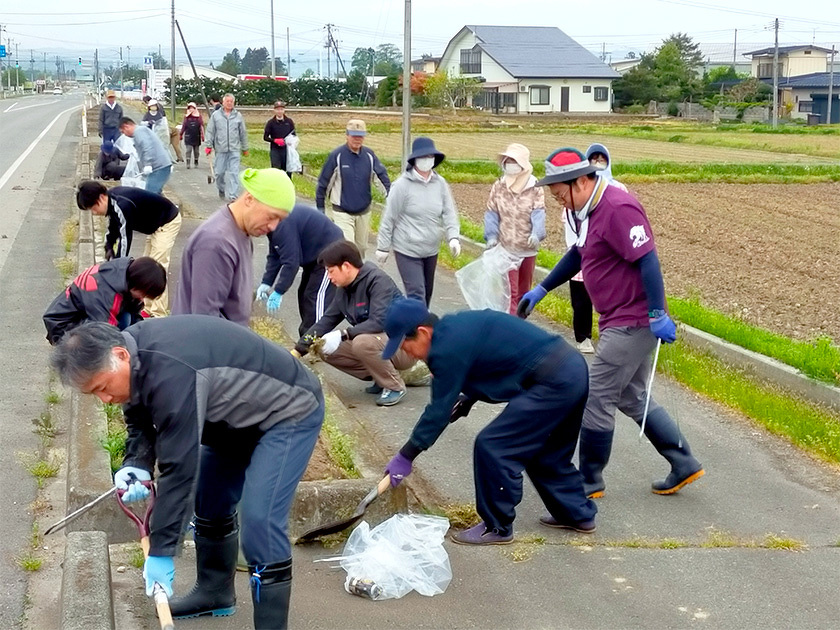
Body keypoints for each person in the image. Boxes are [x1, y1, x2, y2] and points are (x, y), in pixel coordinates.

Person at [50, 317, 324, 629]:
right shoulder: (133, 356)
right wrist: (135, 464)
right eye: (94, 394)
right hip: (235, 417)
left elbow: (179, 468)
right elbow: (140, 418)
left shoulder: (171, 369)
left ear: (120, 355)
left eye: (102, 387)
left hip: (288, 411)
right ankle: (215, 593)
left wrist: (161, 550)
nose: (106, 399)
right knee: (210, 496)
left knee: (260, 521)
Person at [517, 147, 705, 498]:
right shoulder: (587, 211)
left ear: (584, 181)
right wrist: (542, 288)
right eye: (556, 197)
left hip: (633, 320)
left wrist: (657, 314)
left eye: (562, 195)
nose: (561, 203)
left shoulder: (618, 208)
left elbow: (647, 260)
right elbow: (579, 254)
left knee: (597, 396)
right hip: (618, 318)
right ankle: (683, 462)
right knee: (632, 396)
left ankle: (589, 481)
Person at [381, 298, 597, 544]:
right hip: (571, 369)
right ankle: (577, 515)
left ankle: (497, 526)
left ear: (423, 332)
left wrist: (406, 455)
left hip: (552, 382)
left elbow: (437, 412)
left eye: (405, 344)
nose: (405, 352)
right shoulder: (455, 327)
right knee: (546, 453)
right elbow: (495, 359)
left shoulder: (445, 349)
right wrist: (470, 397)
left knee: (493, 446)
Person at [293, 241, 415, 407]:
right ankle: (381, 377)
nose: (328, 277)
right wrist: (297, 351)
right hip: (379, 342)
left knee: (362, 343)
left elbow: (379, 322)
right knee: (321, 346)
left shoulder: (378, 281)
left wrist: (344, 334)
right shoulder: (344, 288)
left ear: (346, 266)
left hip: (405, 344)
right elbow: (326, 321)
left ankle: (394, 386)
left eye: (331, 271)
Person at [172, 168, 295, 327]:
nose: (273, 226)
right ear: (249, 199)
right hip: (200, 348)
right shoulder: (217, 242)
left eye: (280, 220)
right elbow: (206, 320)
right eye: (272, 216)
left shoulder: (241, 232)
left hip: (227, 342)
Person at [375, 137, 460, 306]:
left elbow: (449, 212)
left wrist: (453, 237)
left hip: (430, 248)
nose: (427, 160)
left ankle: (419, 328)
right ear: (415, 160)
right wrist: (382, 247)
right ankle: (417, 329)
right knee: (417, 295)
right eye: (423, 157)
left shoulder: (440, 184)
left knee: (426, 295)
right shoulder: (402, 186)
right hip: (407, 249)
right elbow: (389, 218)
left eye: (430, 156)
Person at [77, 181, 182, 318]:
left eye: (93, 207)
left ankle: (158, 313)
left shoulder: (121, 204)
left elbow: (125, 238)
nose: (94, 212)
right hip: (155, 225)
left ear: (102, 197)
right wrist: (108, 246)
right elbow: (113, 228)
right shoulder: (112, 202)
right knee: (148, 264)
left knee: (157, 266)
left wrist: (119, 266)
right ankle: (149, 309)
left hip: (168, 221)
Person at [563, 143, 629, 354]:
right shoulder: (579, 191)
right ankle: (583, 337)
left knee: (609, 299)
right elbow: (569, 220)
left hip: (610, 259)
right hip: (582, 253)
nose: (597, 163)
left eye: (602, 159)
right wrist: (576, 245)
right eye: (593, 159)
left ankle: (610, 336)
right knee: (581, 300)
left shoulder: (618, 189)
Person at [257, 204, 343, 336]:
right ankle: (305, 338)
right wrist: (267, 282)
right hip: (314, 256)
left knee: (315, 297)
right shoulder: (273, 225)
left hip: (330, 252)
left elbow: (291, 263)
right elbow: (275, 254)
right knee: (304, 294)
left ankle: (316, 341)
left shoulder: (281, 226)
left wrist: (279, 291)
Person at [483, 143, 546, 315]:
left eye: (514, 161)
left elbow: (538, 213)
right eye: (507, 160)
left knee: (524, 293)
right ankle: (511, 326)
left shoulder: (534, 187)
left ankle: (520, 324)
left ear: (523, 164)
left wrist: (536, 234)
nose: (510, 164)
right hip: (506, 248)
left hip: (527, 248)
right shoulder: (499, 186)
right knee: (511, 292)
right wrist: (491, 235)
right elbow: (492, 212)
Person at [43, 257, 165, 345]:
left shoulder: (121, 270)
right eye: (143, 294)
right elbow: (106, 334)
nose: (142, 298)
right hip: (62, 329)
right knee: (116, 336)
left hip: (79, 315)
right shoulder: (108, 295)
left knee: (127, 319)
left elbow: (133, 311)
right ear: (136, 284)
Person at [315, 119, 390, 257]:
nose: (357, 139)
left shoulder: (369, 156)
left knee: (361, 249)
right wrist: (320, 210)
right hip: (342, 212)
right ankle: (346, 278)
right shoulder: (337, 156)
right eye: (354, 135)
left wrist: (391, 199)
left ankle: (358, 277)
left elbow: (381, 177)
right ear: (347, 135)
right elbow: (323, 183)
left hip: (364, 211)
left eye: (360, 136)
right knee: (348, 248)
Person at [205, 93, 249, 201]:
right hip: (220, 149)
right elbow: (210, 131)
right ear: (223, 102)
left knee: (234, 172)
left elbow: (243, 132)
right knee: (219, 172)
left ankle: (233, 195)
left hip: (234, 149)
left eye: (231, 101)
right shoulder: (216, 115)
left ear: (234, 103)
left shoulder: (238, 116)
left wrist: (245, 147)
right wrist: (208, 145)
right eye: (227, 101)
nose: (229, 103)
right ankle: (221, 188)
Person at [118, 117, 173, 194]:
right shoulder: (141, 131)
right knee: (155, 193)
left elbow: (147, 147)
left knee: (150, 193)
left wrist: (148, 164)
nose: (125, 135)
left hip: (158, 167)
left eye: (123, 132)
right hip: (159, 166)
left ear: (126, 126)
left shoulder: (139, 132)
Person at [263, 100, 295, 172]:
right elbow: (265, 137)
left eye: (281, 109)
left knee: (287, 171)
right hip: (275, 150)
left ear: (284, 110)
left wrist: (290, 141)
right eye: (277, 109)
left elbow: (293, 134)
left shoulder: (289, 122)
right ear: (274, 110)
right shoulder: (271, 123)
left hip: (287, 150)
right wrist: (274, 140)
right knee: (276, 171)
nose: (279, 111)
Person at [180, 102, 204, 169]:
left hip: (196, 136)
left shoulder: (199, 117)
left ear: (195, 108)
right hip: (188, 136)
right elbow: (184, 126)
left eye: (192, 108)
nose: (191, 110)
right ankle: (188, 163)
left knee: (196, 151)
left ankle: (196, 161)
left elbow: (201, 126)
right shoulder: (186, 117)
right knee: (188, 150)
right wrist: (181, 134)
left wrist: (202, 135)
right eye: (190, 108)